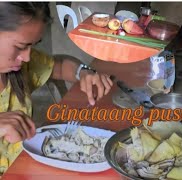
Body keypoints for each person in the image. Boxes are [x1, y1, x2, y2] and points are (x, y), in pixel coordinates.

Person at [0, 2, 113, 174]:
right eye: (20, 47)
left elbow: (59, 66)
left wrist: (83, 72)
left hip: (25, 169)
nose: (27, 57)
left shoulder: (19, 68)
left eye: (33, 45)